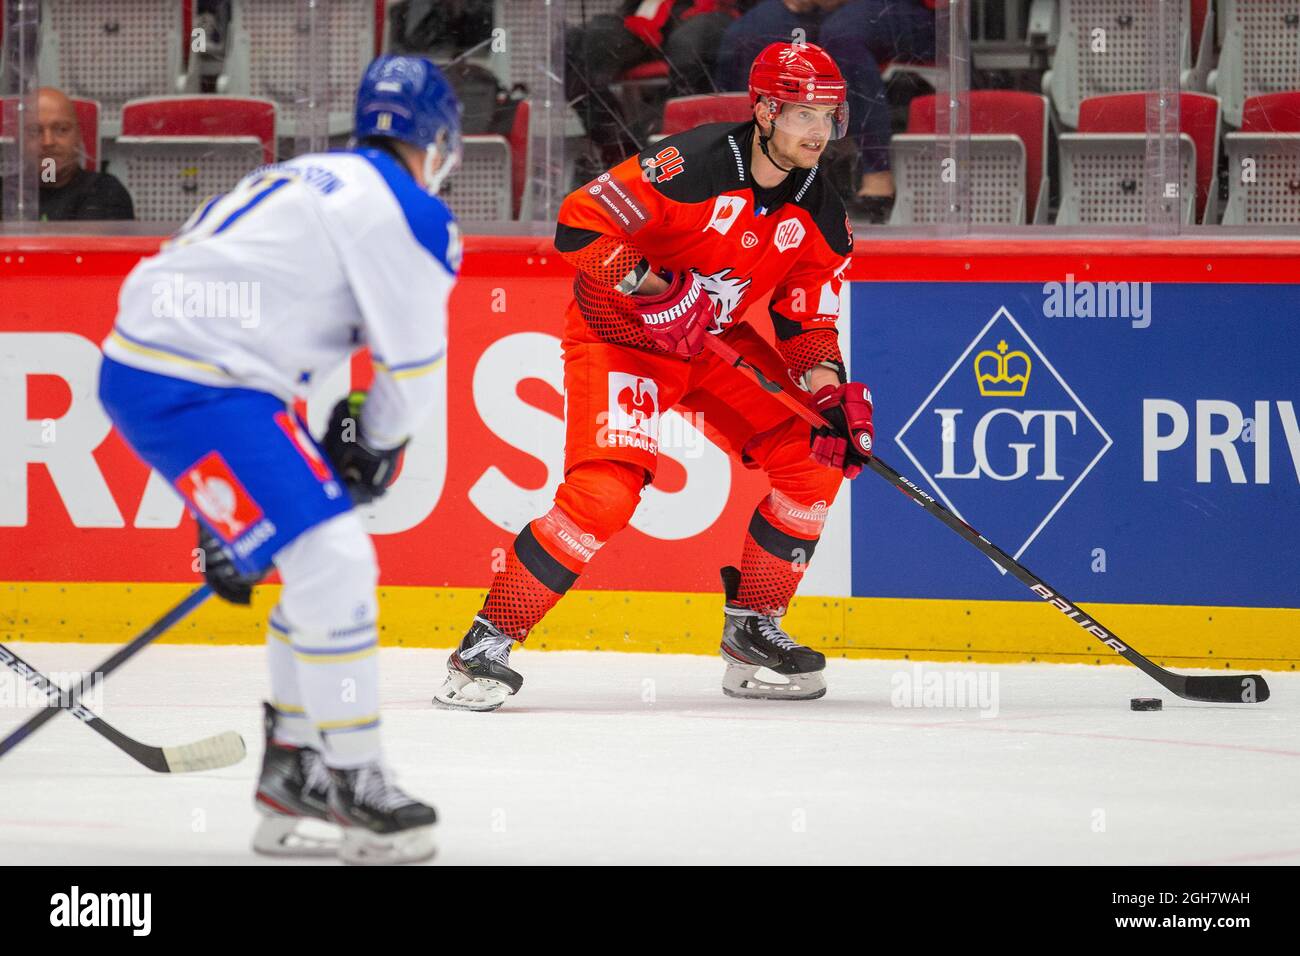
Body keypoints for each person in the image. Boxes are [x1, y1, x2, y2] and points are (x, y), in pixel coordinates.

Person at [97, 56, 462, 865]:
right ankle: (352, 776)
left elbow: (260, 323)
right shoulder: (409, 211)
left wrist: (228, 518)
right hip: (200, 386)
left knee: (315, 560)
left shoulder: (306, 175)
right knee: (336, 561)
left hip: (157, 369)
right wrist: (377, 447)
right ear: (436, 143)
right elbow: (407, 373)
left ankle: (292, 775)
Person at [435, 41, 874, 712]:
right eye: (802, 114)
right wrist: (657, 288)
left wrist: (829, 402)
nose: (818, 132)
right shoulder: (691, 164)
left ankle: (753, 631)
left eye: (828, 117)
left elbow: (806, 327)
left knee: (813, 459)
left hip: (710, 344)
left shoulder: (822, 215)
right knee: (604, 495)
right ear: (762, 110)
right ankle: (484, 647)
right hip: (622, 338)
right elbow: (578, 229)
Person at [715, 0, 937, 222]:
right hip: (821, 10)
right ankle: (747, 177)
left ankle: (877, 170)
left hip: (914, 10)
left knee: (842, 35)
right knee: (745, 35)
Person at [567, 1, 748, 182]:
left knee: (688, 43)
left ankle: (666, 152)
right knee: (575, 44)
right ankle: (614, 145)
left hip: (709, 12)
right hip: (648, 13)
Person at [30, 86, 134, 221]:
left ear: (78, 136)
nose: (48, 142)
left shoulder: (105, 193)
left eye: (61, 129)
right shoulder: (5, 194)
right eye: (34, 131)